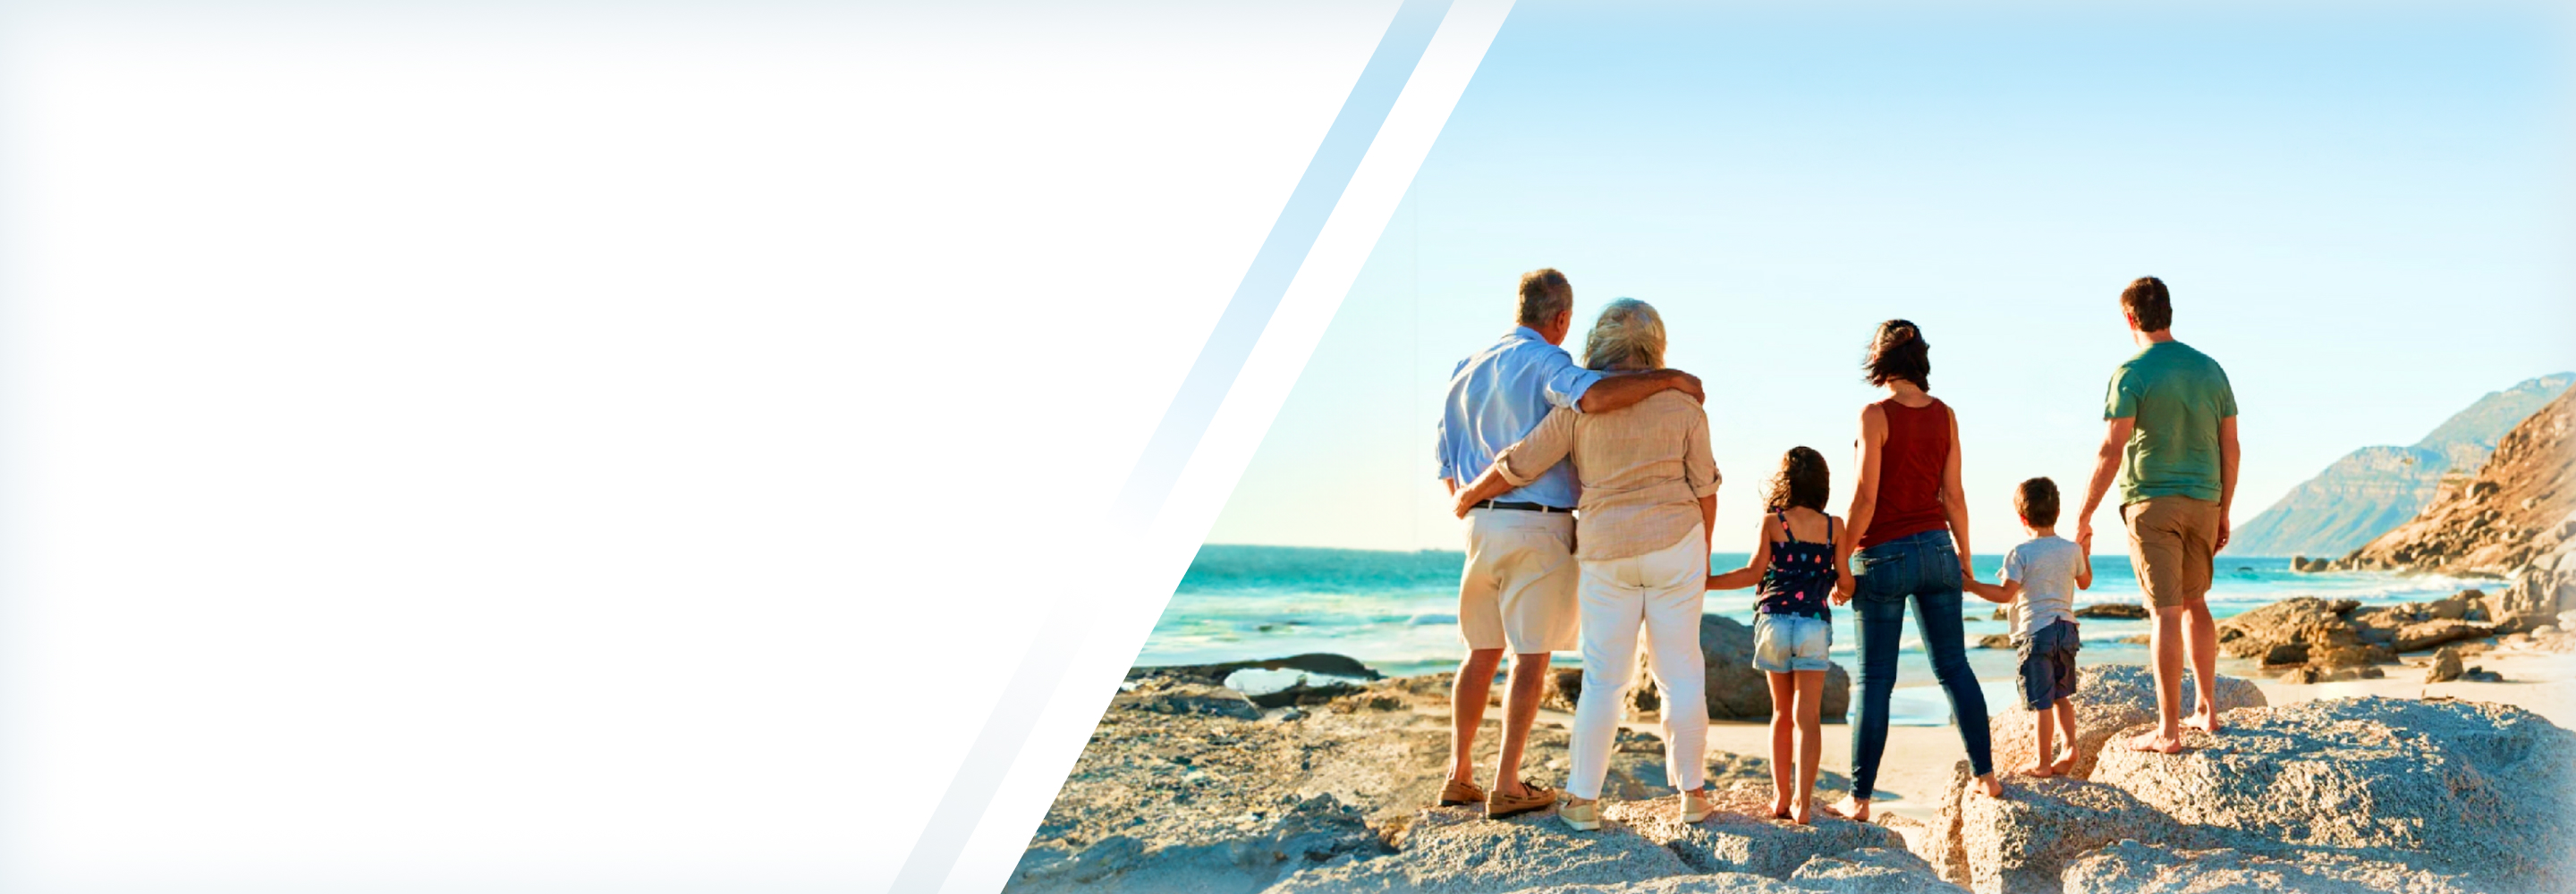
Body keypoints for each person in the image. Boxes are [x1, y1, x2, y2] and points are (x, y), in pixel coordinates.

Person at [1434, 270, 1704, 819]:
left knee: (1485, 651)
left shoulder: (1465, 368)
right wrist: (1671, 377)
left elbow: (1456, 462)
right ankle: (1509, 782)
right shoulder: (1557, 370)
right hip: (1542, 523)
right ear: (1560, 319)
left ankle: (1465, 776)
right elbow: (1599, 397)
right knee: (1534, 658)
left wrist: (1469, 502)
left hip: (1482, 523)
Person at [1826, 320, 2001, 822]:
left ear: (1878, 359)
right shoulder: (1945, 414)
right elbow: (1954, 495)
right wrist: (1965, 557)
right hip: (1938, 549)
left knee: (1876, 679)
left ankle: (1859, 800)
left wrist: (1843, 559)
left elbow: (1865, 498)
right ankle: (1987, 776)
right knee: (1954, 668)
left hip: (1883, 554)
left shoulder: (1874, 414)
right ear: (1920, 359)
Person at [2073, 276, 2240, 755]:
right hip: (2205, 499)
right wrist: (2224, 507)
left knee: (2165, 611)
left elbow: (2111, 447)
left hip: (2152, 502)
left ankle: (2168, 731)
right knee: (2197, 603)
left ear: (2130, 318)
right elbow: (2231, 446)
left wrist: (2085, 514)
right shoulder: (2211, 370)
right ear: (2169, 311)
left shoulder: (2131, 371)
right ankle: (2207, 709)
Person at [1707, 447, 1841, 825]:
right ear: (1822, 484)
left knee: (1781, 713)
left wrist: (1705, 582)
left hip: (1774, 620)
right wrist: (1839, 586)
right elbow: (1845, 579)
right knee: (1808, 716)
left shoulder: (1772, 522)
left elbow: (1751, 575)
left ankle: (1781, 797)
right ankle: (1803, 802)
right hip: (1814, 622)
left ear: (1785, 482)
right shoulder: (1835, 527)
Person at [1962, 477, 2094, 777]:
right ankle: (2070, 746)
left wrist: (1970, 585)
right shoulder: (2071, 550)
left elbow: (2004, 594)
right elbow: (2085, 583)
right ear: (2057, 512)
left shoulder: (2020, 552)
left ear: (2022, 518)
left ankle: (2043, 763)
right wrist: (2084, 550)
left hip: (2037, 633)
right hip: (2067, 630)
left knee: (2041, 702)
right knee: (2062, 695)